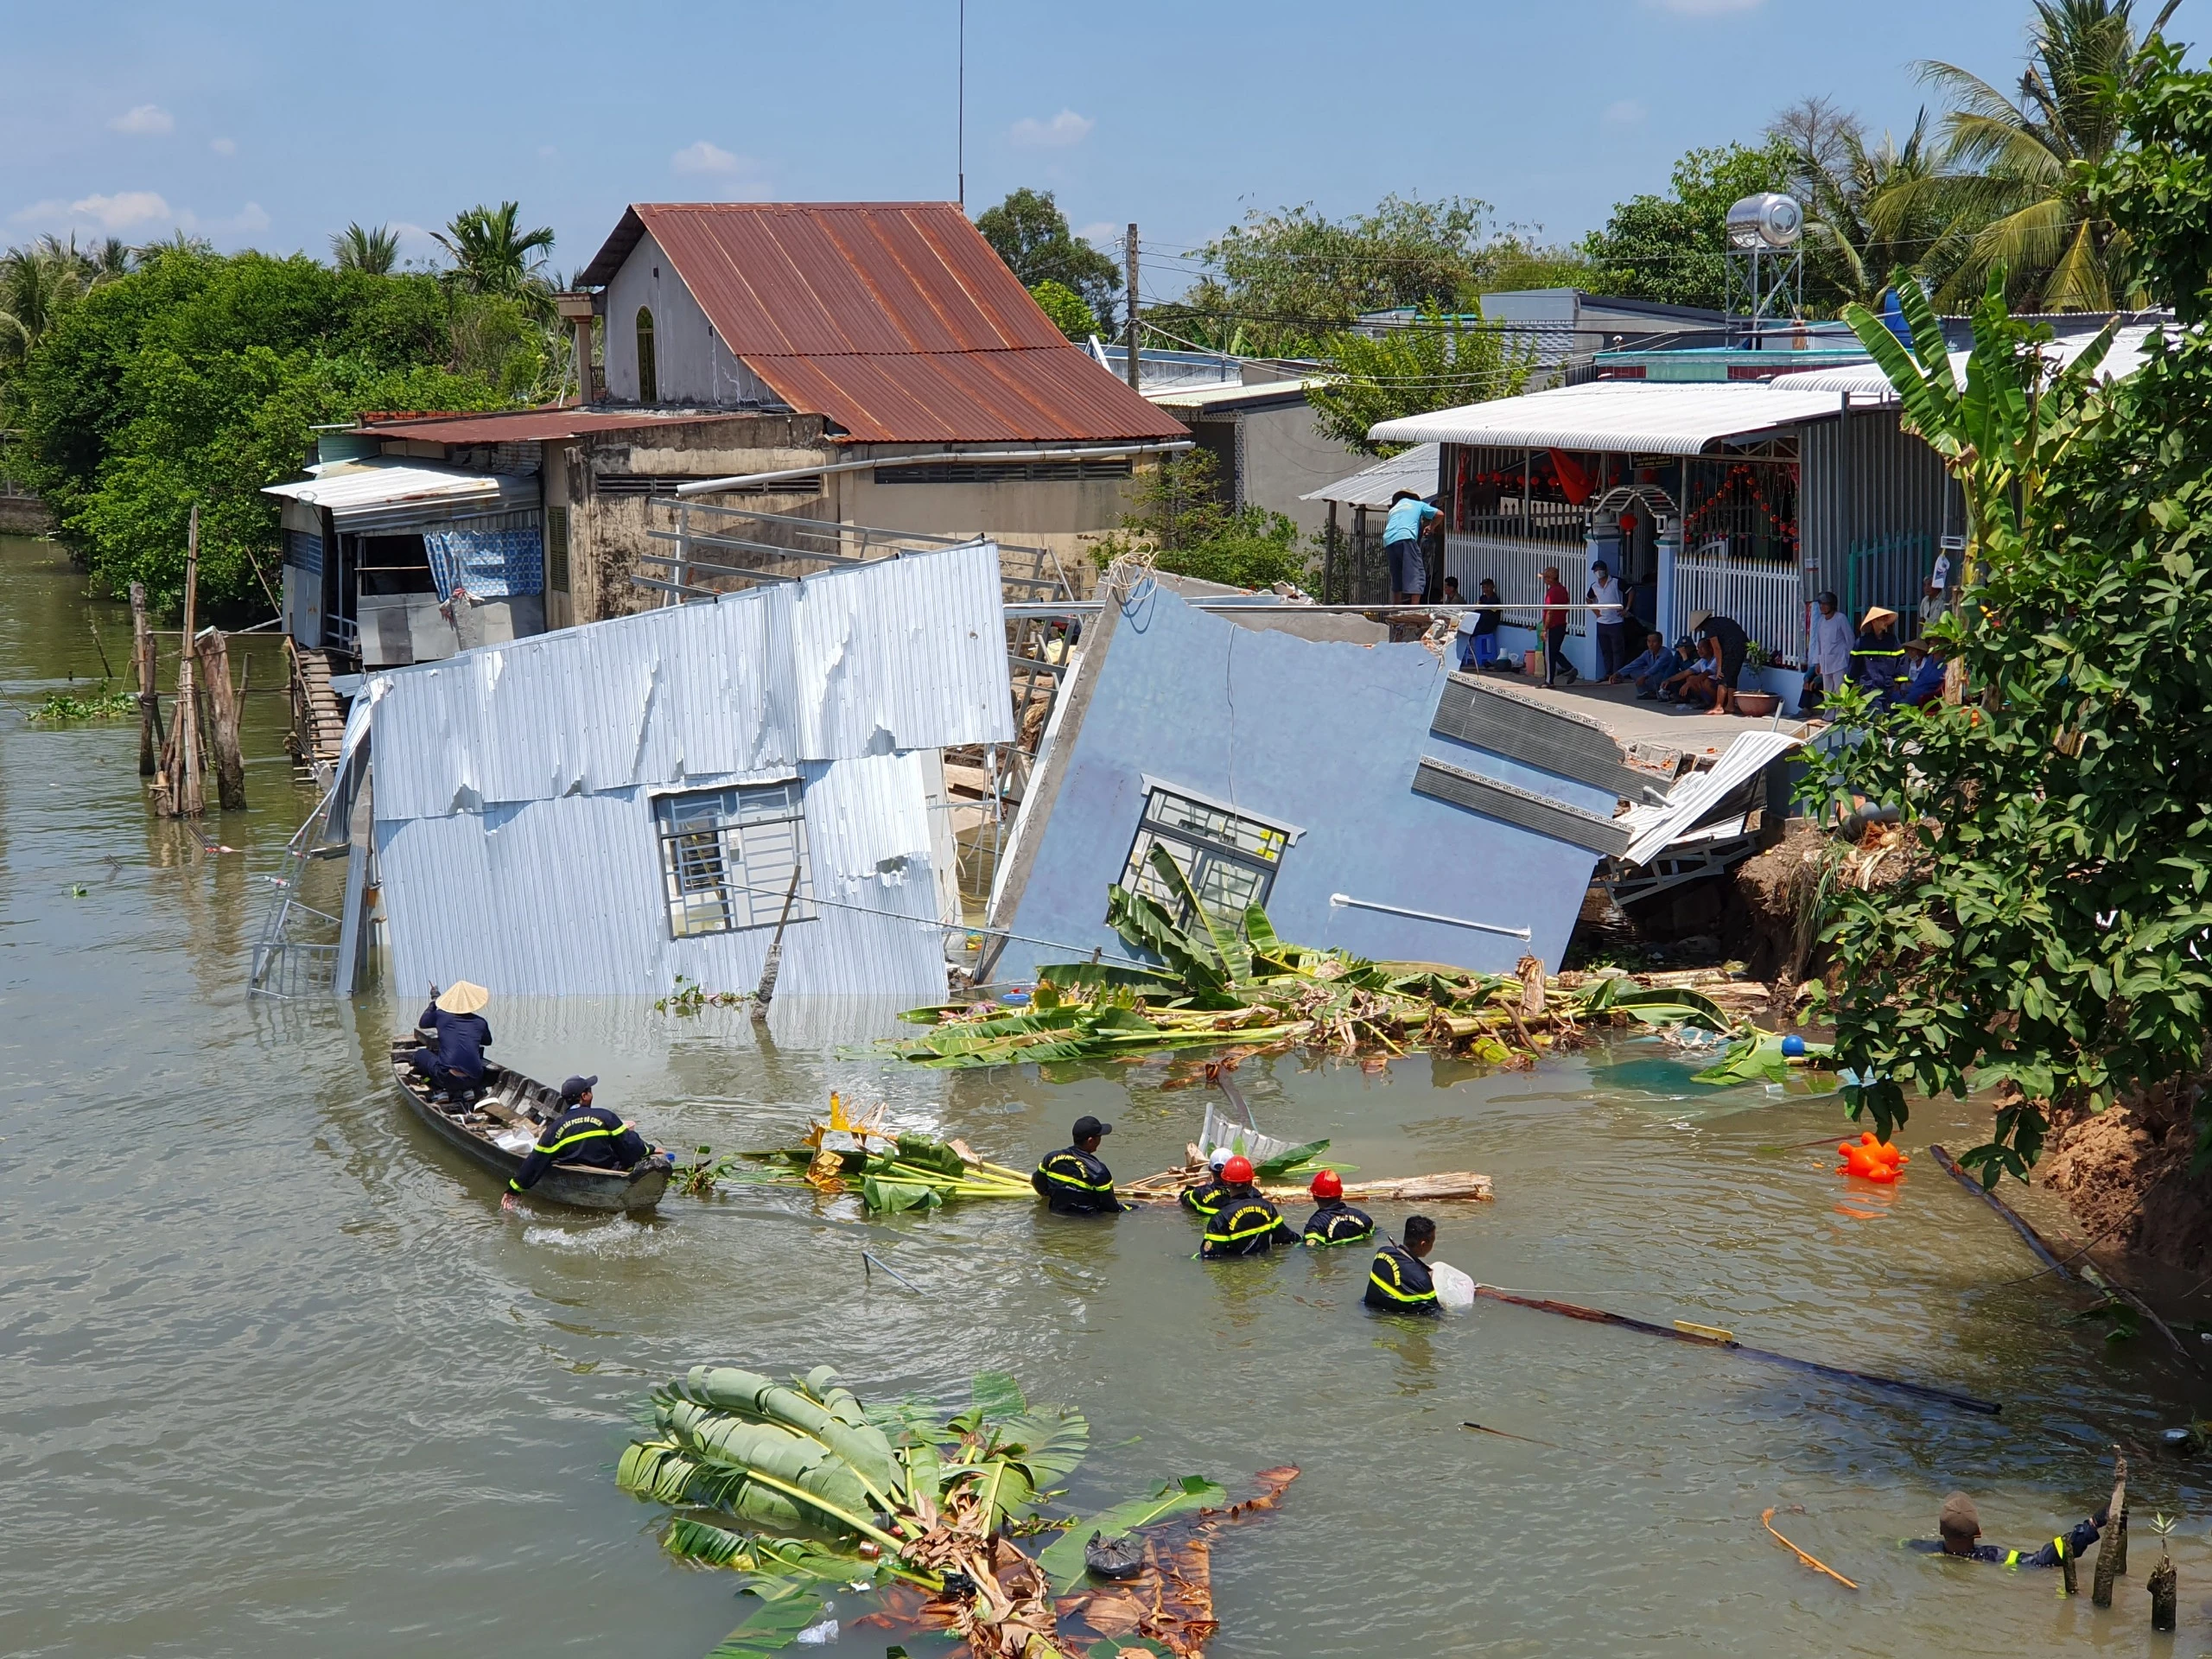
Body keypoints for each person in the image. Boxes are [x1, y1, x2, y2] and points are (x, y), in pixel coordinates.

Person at [510, 1076, 651, 1193]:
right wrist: (649, 1149)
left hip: (574, 1172)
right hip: (608, 1169)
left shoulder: (555, 1128)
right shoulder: (606, 1117)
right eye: (590, 1091)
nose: (592, 1094)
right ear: (584, 1096)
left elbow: (536, 1160)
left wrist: (514, 1188)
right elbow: (631, 1144)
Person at [1909, 1491, 2113, 1567]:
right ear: (1979, 1532)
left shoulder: (1920, 1548)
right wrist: (2092, 1524)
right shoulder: (1994, 1557)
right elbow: (2042, 1560)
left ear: (1940, 1530)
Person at [1198, 1156, 1297, 1259]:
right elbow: (1285, 1238)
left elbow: (1210, 1255)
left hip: (1236, 1271)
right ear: (1250, 1182)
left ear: (1226, 1182)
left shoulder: (1220, 1218)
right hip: (1265, 1271)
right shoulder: (1267, 1208)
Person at [1032, 1115, 1128, 1215]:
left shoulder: (1051, 1159)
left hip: (1056, 1213)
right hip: (1087, 1221)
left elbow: (1038, 1185)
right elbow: (1111, 1209)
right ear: (1091, 1141)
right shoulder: (1099, 1172)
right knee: (1136, 1208)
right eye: (1099, 1137)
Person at [413, 981, 492, 1100]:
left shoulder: (441, 1016)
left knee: (420, 1054)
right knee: (476, 1055)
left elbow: (423, 1023)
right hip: (475, 1078)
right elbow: (487, 1041)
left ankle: (438, 1090)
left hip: (447, 1078)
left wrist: (434, 1002)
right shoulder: (480, 1022)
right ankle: (468, 1090)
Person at [1363, 1215, 1440, 1313]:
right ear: (1423, 1245)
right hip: (1397, 1322)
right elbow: (1434, 1314)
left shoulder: (1381, 1254)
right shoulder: (1422, 1280)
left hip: (1370, 1310)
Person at [1382, 489, 1440, 606]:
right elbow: (1440, 514)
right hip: (1406, 537)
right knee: (1417, 572)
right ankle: (1414, 608)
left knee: (1397, 573)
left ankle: (1396, 606)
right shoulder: (1417, 504)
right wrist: (1431, 527)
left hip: (1389, 540)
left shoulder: (1393, 509)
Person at [1688, 609, 1749, 715]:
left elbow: (1717, 648)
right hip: (1741, 647)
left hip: (1732, 649)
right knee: (1732, 676)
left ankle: (1719, 706)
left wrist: (1719, 667)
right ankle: (1730, 706)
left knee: (1723, 677)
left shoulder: (1710, 628)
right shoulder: (1719, 621)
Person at [1300, 1169, 1375, 1248]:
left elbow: (1311, 1247)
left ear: (1314, 1197)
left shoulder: (1316, 1224)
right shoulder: (1361, 1216)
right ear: (1340, 1194)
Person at [1808, 590, 1854, 708]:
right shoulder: (1821, 621)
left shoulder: (1841, 619)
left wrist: (1851, 659)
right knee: (1827, 692)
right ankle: (1828, 716)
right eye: (1821, 604)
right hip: (1825, 662)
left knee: (1839, 691)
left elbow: (1850, 640)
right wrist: (1817, 662)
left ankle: (1840, 716)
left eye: (1825, 604)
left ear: (1832, 605)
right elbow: (1819, 643)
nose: (1822, 607)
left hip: (1839, 662)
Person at [1852, 606, 1907, 698]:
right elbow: (1853, 666)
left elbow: (1901, 663)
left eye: (1886, 619)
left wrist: (1901, 684)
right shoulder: (1862, 642)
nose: (1885, 621)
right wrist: (1850, 687)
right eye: (1882, 619)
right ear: (1874, 621)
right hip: (1867, 690)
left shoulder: (1893, 641)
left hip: (1888, 689)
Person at [1586, 560, 1628, 680]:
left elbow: (1630, 591)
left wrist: (1627, 608)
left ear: (1606, 570)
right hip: (1602, 623)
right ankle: (1608, 673)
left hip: (1616, 622)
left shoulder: (1616, 582)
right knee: (1606, 650)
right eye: (1596, 570)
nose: (1598, 572)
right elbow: (1588, 599)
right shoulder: (1594, 586)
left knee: (1618, 650)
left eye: (1600, 569)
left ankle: (1617, 675)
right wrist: (1596, 612)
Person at [1456, 577, 1503, 672]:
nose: (1485, 589)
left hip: (1488, 626)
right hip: (1480, 623)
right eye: (1484, 587)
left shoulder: (1495, 600)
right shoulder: (1482, 598)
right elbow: (1477, 609)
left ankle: (1460, 659)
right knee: (1462, 630)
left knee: (1468, 633)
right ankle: (1460, 656)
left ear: (1493, 587)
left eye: (1488, 587)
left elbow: (1490, 614)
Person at [1540, 566, 1575, 687]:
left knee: (1549, 653)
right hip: (1561, 624)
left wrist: (1545, 629)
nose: (1544, 580)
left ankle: (1549, 681)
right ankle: (1569, 668)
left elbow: (1550, 611)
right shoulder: (1563, 590)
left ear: (1551, 578)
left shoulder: (1553, 592)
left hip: (1553, 626)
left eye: (1545, 577)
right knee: (1553, 652)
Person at [1611, 629, 1672, 696]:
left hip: (1665, 678)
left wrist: (1644, 676)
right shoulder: (1647, 653)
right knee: (1634, 672)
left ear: (1660, 643)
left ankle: (1659, 693)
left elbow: (1656, 667)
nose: (1651, 644)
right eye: (1649, 641)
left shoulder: (1666, 653)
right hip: (1653, 676)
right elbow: (1635, 663)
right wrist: (1619, 673)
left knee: (1655, 675)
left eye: (1654, 642)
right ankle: (1647, 692)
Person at [1180, 1147, 1235, 1218]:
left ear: (1209, 1168)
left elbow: (1184, 1197)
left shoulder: (1200, 1193)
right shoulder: (1242, 1193)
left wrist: (1200, 1186)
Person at [1897, 639, 1946, 709]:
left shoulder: (1944, 663)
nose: (1929, 646)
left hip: (1924, 693)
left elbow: (1934, 680)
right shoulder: (1930, 659)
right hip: (1912, 688)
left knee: (1904, 703)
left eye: (1932, 644)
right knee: (1893, 696)